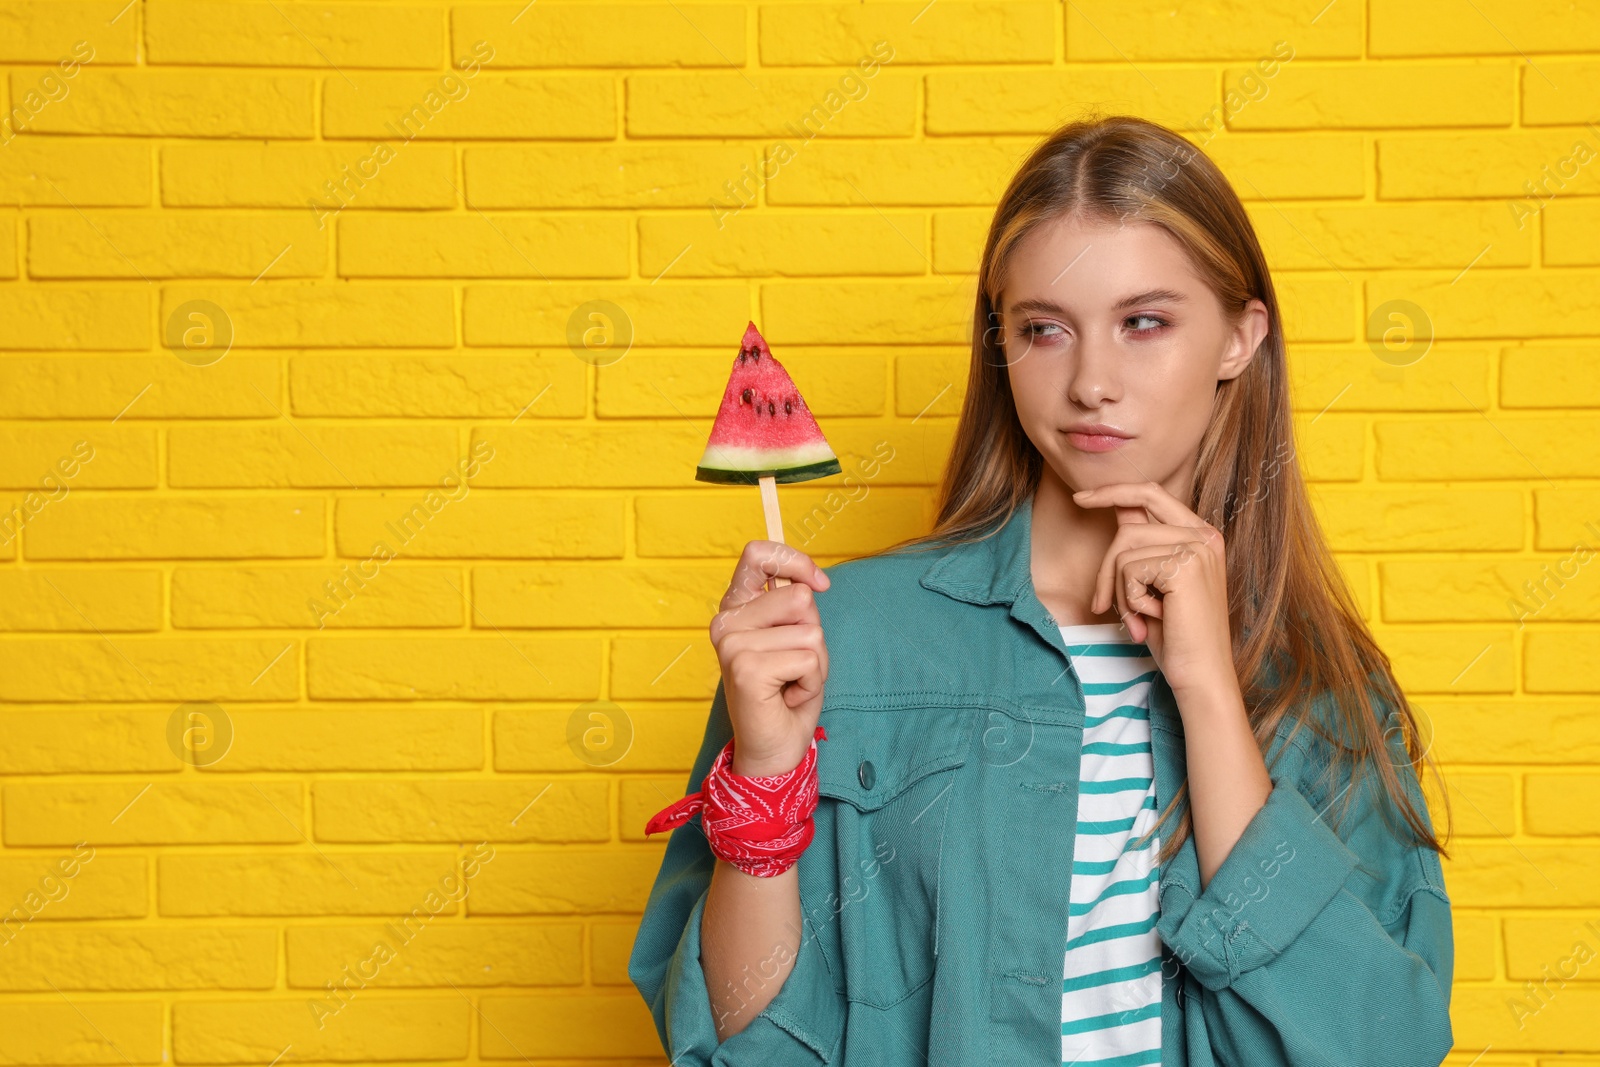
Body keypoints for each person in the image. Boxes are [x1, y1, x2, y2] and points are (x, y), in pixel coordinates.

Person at [628, 114, 1456, 1066]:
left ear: (1240, 337)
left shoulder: (1326, 690)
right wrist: (767, 785)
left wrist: (1209, 692)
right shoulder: (838, 639)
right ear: (1001, 345)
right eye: (1044, 330)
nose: (1092, 382)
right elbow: (736, 1043)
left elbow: (1380, 1046)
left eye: (1144, 322)